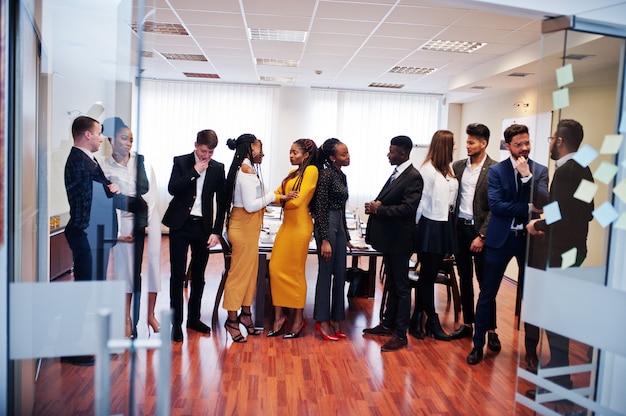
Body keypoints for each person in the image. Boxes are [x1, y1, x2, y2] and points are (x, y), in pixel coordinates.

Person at [466, 123, 548, 365]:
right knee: (487, 294)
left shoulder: (540, 171)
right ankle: (478, 344)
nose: (524, 148)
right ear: (508, 146)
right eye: (518, 144)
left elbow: (544, 202)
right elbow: (497, 206)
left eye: (527, 143)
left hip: (530, 242)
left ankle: (531, 351)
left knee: (530, 297)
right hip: (500, 239)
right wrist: (528, 208)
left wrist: (527, 178)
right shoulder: (497, 171)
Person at [525, 119, 594, 391]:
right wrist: (548, 213)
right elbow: (584, 210)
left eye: (551, 138)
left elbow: (563, 214)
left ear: (560, 141)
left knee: (554, 318)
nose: (550, 144)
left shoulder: (565, 172)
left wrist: (537, 224)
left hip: (561, 252)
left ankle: (556, 381)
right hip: (576, 250)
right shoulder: (584, 169)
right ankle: (559, 378)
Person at [63, 116, 121, 365]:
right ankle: (69, 347)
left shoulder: (89, 159)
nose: (101, 138)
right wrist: (109, 190)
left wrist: (110, 187)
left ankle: (90, 340)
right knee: (83, 291)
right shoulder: (77, 160)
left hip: (94, 232)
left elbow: (98, 189)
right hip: (85, 233)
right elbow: (86, 199)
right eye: (98, 133)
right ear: (86, 135)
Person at [162, 129, 227, 342]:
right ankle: (176, 324)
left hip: (203, 228)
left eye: (210, 152)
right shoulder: (181, 162)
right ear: (195, 145)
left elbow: (222, 202)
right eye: (203, 151)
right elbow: (173, 189)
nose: (206, 156)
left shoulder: (218, 169)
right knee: (178, 275)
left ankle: (193, 319)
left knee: (199, 276)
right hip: (180, 225)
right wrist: (194, 171)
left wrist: (217, 231)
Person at [101, 117, 162, 339]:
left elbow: (151, 193)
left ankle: (151, 315)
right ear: (111, 139)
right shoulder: (105, 166)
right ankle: (126, 319)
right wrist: (119, 232)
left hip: (148, 215)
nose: (128, 143)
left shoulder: (142, 161)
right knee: (126, 272)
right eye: (124, 138)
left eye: (131, 139)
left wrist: (142, 221)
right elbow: (107, 200)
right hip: (123, 220)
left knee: (154, 263)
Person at [363, 135, 423, 352]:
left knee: (401, 286)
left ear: (403, 153)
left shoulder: (413, 176)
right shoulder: (399, 173)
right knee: (391, 284)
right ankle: (387, 324)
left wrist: (379, 209)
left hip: (400, 239)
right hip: (390, 239)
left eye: (391, 151)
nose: (388, 155)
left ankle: (400, 334)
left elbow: (408, 209)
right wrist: (378, 204)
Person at [222, 134, 278, 343]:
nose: (262, 153)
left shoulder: (248, 169)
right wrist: (273, 195)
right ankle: (231, 321)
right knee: (238, 276)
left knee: (250, 274)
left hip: (250, 228)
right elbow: (250, 205)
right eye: (259, 148)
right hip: (243, 228)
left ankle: (246, 314)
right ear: (250, 148)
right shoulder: (245, 172)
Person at [449, 124, 498, 348]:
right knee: (464, 279)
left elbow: (494, 209)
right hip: (460, 228)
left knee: (486, 282)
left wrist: (483, 236)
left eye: (471, 142)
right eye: (467, 141)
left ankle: (490, 328)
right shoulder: (457, 166)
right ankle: (468, 323)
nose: (467, 146)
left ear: (483, 143)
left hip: (480, 233)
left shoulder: (495, 169)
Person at [266, 139, 318, 339]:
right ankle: (279, 317)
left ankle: (297, 319)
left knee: (295, 273)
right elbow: (276, 195)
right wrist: (283, 198)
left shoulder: (311, 171)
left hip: (300, 228)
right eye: (289, 152)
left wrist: (282, 199)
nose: (291, 155)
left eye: (295, 152)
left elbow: (298, 203)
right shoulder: (291, 175)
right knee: (275, 269)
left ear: (306, 155)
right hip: (286, 227)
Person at [411, 130, 458, 342]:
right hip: (429, 226)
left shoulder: (447, 170)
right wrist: (416, 228)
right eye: (453, 144)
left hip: (444, 225)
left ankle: (417, 317)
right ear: (444, 147)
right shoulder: (428, 171)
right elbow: (421, 202)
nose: (455, 148)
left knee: (428, 276)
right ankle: (431, 319)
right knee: (427, 277)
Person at [313, 138, 352, 341]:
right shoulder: (326, 175)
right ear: (332, 157)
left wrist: (346, 235)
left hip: (339, 226)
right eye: (343, 154)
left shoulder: (341, 176)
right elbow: (319, 208)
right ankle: (322, 320)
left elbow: (343, 207)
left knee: (340, 274)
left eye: (347, 153)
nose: (348, 157)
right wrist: (325, 240)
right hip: (326, 224)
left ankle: (337, 318)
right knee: (325, 273)